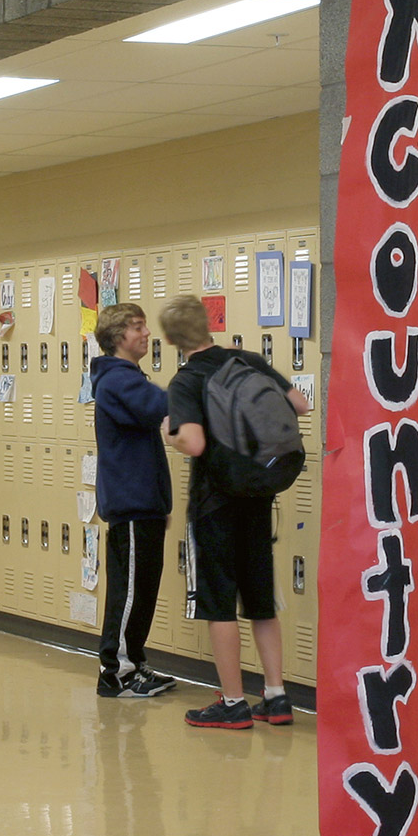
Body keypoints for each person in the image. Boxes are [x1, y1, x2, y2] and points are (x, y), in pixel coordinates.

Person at [159, 294, 311, 730]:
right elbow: (300, 403)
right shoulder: (244, 359)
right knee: (261, 599)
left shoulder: (186, 380)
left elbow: (194, 442)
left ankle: (231, 701)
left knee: (220, 602)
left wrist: (170, 434)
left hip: (215, 501)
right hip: (258, 496)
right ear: (207, 325)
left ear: (171, 339)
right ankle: (277, 696)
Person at [90, 303, 177, 699]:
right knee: (128, 592)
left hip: (145, 502)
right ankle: (116, 672)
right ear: (117, 337)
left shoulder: (128, 377)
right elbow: (161, 405)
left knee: (142, 590)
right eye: (137, 328)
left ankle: (134, 662)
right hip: (131, 504)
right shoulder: (117, 380)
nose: (146, 334)